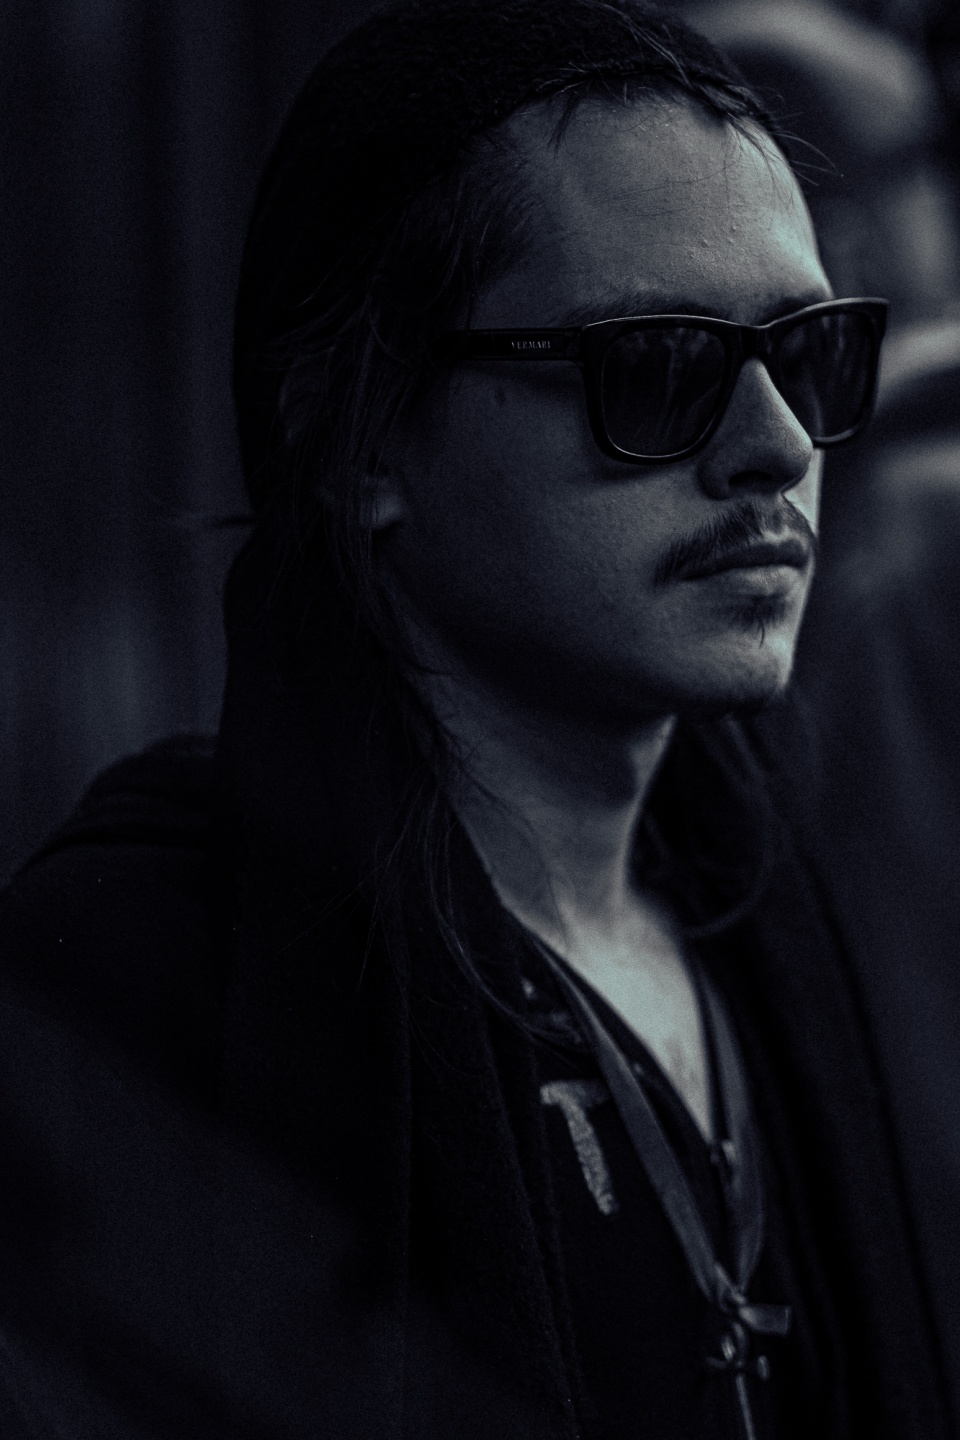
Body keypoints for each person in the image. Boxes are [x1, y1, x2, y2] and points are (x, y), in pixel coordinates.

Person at [0, 1, 949, 1437]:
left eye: (811, 356)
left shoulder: (772, 929)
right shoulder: (128, 985)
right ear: (365, 435)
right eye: (659, 365)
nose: (777, 446)